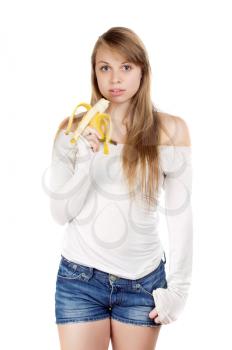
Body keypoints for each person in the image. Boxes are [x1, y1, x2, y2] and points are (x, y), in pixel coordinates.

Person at [48, 26, 193, 350]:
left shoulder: (171, 131)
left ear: (142, 71)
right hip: (80, 280)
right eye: (105, 68)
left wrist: (179, 292)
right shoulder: (72, 131)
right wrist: (86, 161)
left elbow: (180, 215)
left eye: (125, 67)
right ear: (94, 73)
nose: (115, 79)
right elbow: (60, 214)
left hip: (143, 283)